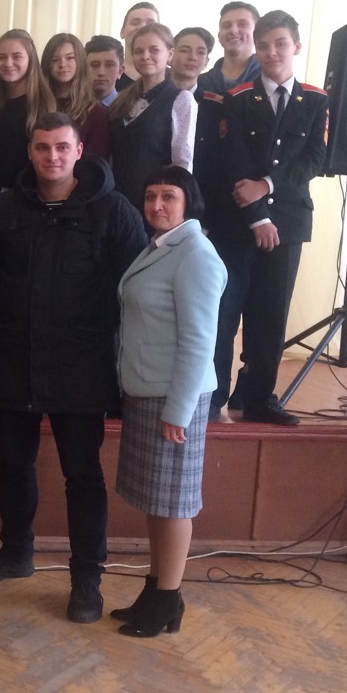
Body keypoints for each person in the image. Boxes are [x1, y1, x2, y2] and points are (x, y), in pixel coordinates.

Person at [0, 112, 147, 623]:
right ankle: (16, 553)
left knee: (83, 475)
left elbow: (135, 291)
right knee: (12, 464)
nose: (52, 157)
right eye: (43, 147)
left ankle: (87, 580)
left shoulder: (113, 211)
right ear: (30, 152)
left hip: (81, 365)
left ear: (79, 151)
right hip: (13, 360)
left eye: (62, 147)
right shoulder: (3, 210)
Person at [112, 165, 225, 637]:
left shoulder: (196, 254)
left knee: (175, 504)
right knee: (156, 502)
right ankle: (156, 591)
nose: (157, 205)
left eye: (168, 197)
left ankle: (166, 600)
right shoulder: (161, 246)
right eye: (151, 196)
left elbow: (199, 342)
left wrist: (178, 410)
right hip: (148, 391)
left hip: (175, 398)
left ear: (188, 202)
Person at [211, 9, 327, 426]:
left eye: (280, 44)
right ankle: (213, 396)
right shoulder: (239, 98)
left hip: (289, 223)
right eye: (263, 46)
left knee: (271, 315)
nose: (272, 52)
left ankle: (259, 397)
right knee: (226, 311)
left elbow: (314, 159)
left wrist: (268, 185)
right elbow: (234, 160)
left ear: (296, 47)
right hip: (239, 223)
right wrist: (258, 217)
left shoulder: (317, 101)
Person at [108, 23, 196, 210]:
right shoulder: (122, 98)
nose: (145, 56)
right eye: (139, 51)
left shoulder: (181, 99)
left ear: (170, 54)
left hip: (153, 204)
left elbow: (182, 163)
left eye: (154, 50)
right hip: (115, 200)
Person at [0, 30, 55, 199]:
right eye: (2, 57)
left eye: (17, 56)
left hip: (28, 196)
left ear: (30, 60)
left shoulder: (44, 105)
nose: (8, 63)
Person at [42, 33, 111, 160]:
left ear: (80, 61)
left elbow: (96, 162)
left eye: (69, 58)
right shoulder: (36, 104)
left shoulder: (96, 112)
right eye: (55, 60)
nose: (62, 64)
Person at [197, 1, 261, 95]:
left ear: (257, 32)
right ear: (219, 35)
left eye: (242, 24)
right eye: (226, 26)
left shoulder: (269, 79)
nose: (233, 30)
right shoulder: (199, 84)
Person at [117, 1, 160, 88]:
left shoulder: (172, 78)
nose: (142, 27)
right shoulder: (108, 74)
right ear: (122, 32)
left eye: (151, 24)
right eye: (135, 23)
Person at [85, 35, 124, 107]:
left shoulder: (130, 109)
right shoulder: (72, 108)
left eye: (109, 65)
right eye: (95, 65)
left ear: (120, 71)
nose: (101, 73)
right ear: (84, 69)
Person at [171, 27, 214, 92]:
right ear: (170, 55)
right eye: (184, 51)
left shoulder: (212, 98)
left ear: (206, 62)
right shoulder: (155, 92)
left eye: (201, 52)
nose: (193, 57)